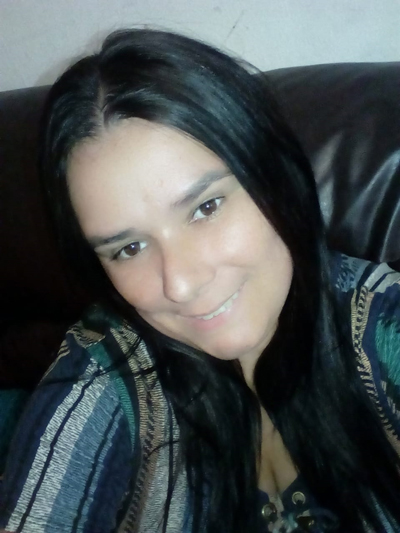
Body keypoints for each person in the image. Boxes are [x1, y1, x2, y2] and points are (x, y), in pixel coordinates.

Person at [0, 29, 400, 533]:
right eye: (129, 248)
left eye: (206, 207)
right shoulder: (109, 368)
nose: (181, 284)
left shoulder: (380, 322)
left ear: (273, 176)